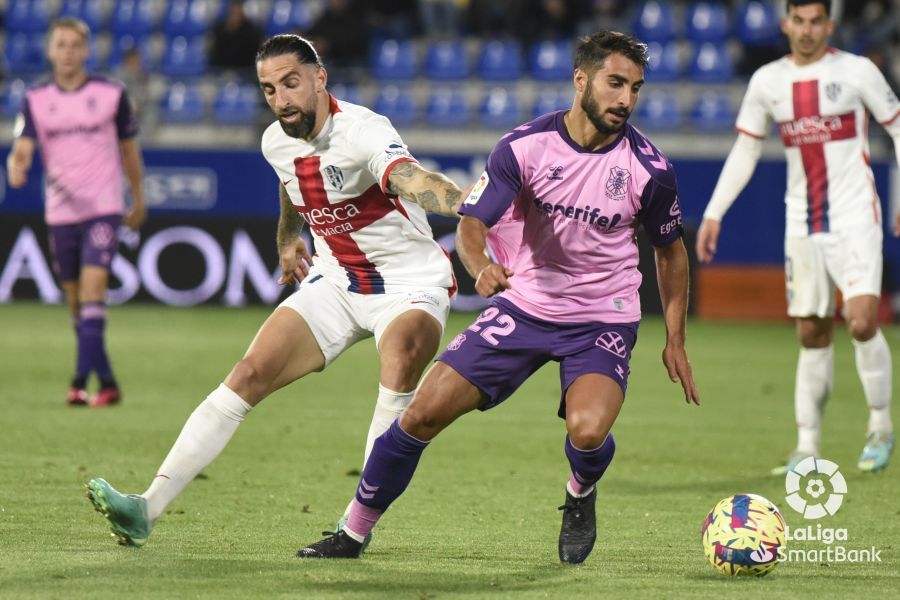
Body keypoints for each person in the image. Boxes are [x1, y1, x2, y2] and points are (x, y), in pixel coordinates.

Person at [296, 30, 700, 563]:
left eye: (635, 88)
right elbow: (471, 225)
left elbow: (670, 254)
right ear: (581, 80)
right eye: (615, 83)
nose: (625, 99)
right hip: (524, 306)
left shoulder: (649, 170)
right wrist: (481, 266)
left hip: (602, 317)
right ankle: (352, 532)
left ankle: (580, 490)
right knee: (419, 414)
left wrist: (675, 336)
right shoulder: (524, 147)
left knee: (586, 430)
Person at [85, 34, 464, 548]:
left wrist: (462, 202)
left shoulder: (364, 129)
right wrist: (289, 236)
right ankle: (146, 509)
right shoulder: (274, 140)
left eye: (291, 83)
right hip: (336, 281)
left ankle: (355, 528)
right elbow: (289, 182)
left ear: (319, 78)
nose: (282, 99)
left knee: (398, 363)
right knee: (247, 374)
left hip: (409, 285)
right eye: (269, 90)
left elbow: (408, 178)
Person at [695, 0, 899, 474]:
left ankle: (880, 426)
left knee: (863, 320)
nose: (807, 31)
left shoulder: (857, 71)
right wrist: (714, 212)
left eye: (816, 22)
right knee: (812, 331)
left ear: (830, 24)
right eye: (799, 22)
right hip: (802, 220)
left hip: (855, 215)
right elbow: (746, 149)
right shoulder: (767, 81)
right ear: (786, 24)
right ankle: (807, 446)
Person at [6, 18, 146, 407]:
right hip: (60, 211)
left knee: (92, 292)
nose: (67, 52)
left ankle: (78, 383)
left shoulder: (110, 94)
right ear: (50, 51)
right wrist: (15, 166)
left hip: (103, 208)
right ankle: (110, 383)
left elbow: (129, 150)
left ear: (86, 51)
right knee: (75, 304)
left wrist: (138, 196)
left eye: (74, 45)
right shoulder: (35, 99)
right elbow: (23, 146)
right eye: (60, 45)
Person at [209, 0, 264, 75]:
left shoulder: (252, 32)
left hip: (246, 73)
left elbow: (254, 57)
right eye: (233, 13)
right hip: (222, 72)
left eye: (238, 12)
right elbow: (215, 56)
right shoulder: (219, 30)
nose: (235, 16)